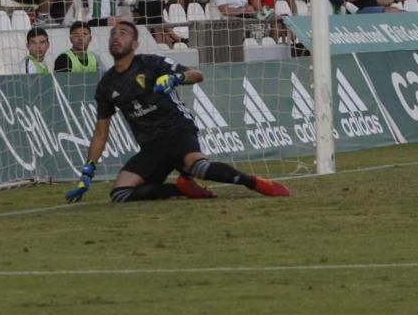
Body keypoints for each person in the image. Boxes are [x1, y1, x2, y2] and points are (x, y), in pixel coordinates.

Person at [65, 20, 290, 204]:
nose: (116, 37)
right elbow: (101, 132)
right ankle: (180, 189)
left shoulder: (151, 63)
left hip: (177, 131)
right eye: (113, 34)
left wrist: (176, 78)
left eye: (123, 33)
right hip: (151, 146)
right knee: (120, 194)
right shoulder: (106, 84)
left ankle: (252, 182)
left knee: (199, 166)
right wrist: (88, 170)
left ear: (134, 44)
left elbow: (196, 75)